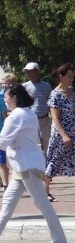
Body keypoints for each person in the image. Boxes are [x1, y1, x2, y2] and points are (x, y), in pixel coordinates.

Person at [0, 84, 68, 243]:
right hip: (24, 165)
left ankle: (59, 239)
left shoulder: (16, 116)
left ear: (14, 98)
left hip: (26, 165)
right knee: (8, 202)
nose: (4, 99)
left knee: (42, 203)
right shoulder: (28, 113)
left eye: (6, 96)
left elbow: (1, 142)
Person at [43, 64, 75, 203]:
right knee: (54, 162)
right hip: (61, 135)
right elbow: (55, 118)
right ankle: (45, 192)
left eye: (72, 77)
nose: (71, 79)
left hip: (73, 132)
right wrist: (64, 135)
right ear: (61, 77)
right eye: (69, 77)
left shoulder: (72, 91)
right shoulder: (55, 95)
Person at [22, 62, 52, 150]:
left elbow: (51, 102)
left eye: (32, 71)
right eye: (28, 72)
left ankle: (48, 163)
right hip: (31, 120)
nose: (30, 74)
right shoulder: (24, 86)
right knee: (34, 146)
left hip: (45, 120)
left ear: (37, 71)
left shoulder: (46, 85)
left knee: (48, 145)